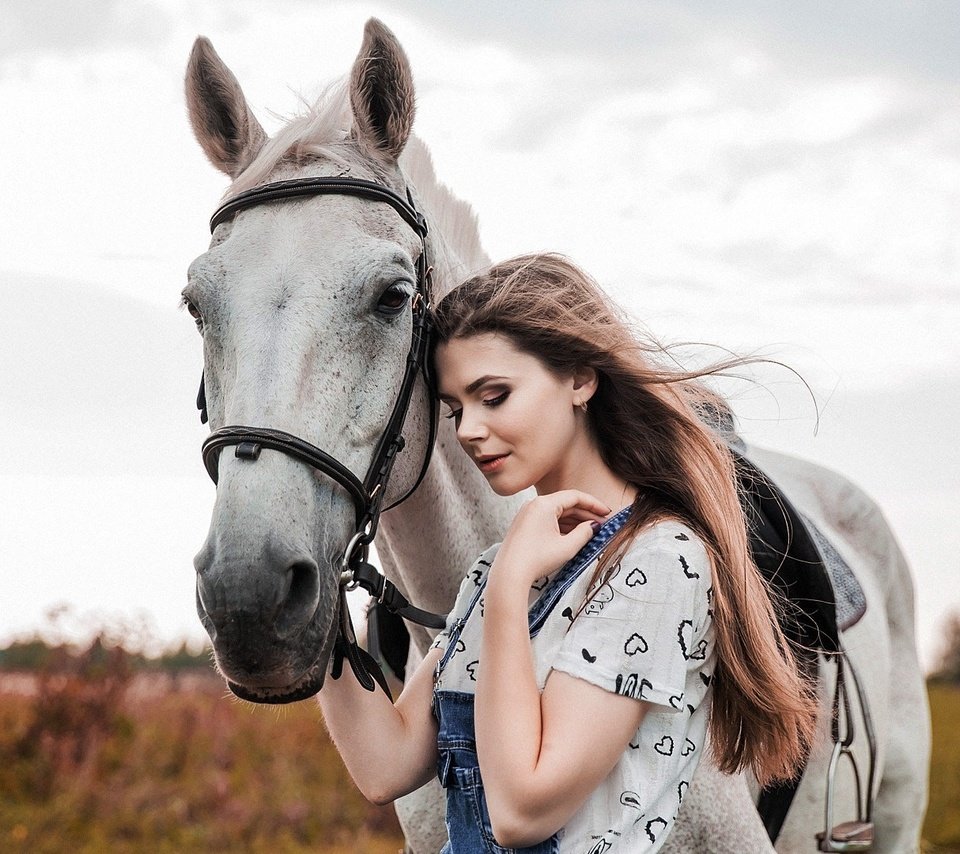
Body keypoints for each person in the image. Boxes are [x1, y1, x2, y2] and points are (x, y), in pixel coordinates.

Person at [317, 253, 817, 853]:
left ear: (580, 379)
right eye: (455, 409)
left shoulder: (658, 562)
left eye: (493, 396)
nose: (468, 429)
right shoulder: (501, 567)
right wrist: (313, 602)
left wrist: (507, 590)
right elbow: (386, 765)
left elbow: (522, 811)